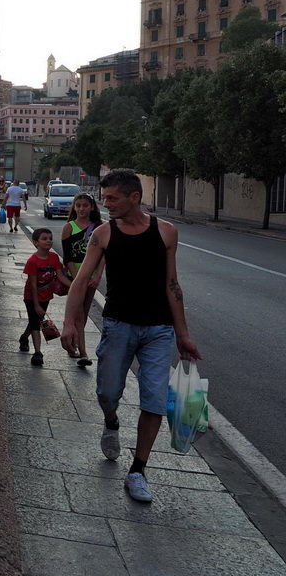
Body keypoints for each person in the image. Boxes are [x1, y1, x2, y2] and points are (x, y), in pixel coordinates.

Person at [61, 168, 202, 504]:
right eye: (104, 198)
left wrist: (183, 335)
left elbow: (172, 285)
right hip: (118, 325)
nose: (105, 204)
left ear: (134, 197)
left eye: (112, 198)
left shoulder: (166, 232)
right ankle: (111, 421)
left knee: (153, 399)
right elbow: (81, 280)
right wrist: (69, 322)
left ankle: (138, 470)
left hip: (158, 329)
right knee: (108, 392)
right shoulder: (104, 234)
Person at [61, 193, 103, 368]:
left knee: (84, 313)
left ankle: (73, 345)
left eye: (85, 205)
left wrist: (97, 276)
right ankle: (83, 353)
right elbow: (68, 256)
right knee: (77, 313)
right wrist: (77, 278)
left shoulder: (99, 227)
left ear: (92, 207)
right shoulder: (69, 227)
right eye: (78, 206)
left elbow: (103, 256)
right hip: (75, 274)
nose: (81, 209)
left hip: (91, 276)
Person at [19, 228, 71, 367]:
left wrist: (74, 286)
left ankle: (24, 338)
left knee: (36, 320)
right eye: (44, 238)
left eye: (50, 238)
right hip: (31, 297)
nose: (48, 240)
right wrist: (36, 305)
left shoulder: (53, 257)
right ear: (36, 242)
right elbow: (33, 286)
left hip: (46, 296)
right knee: (35, 322)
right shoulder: (33, 261)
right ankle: (37, 353)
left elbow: (60, 276)